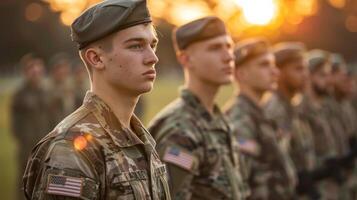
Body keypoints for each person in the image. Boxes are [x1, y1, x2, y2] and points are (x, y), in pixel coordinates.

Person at [22, 0, 171, 199]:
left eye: (153, 45)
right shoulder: (70, 149)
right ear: (96, 58)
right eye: (136, 46)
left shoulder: (141, 137)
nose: (153, 57)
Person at [148, 16, 249, 200]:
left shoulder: (218, 119)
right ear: (186, 59)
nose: (228, 56)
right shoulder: (180, 129)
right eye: (215, 48)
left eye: (229, 46)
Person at [224, 38, 297, 199]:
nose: (275, 72)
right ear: (241, 74)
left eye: (273, 65)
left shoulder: (261, 114)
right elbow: (242, 184)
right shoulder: (240, 118)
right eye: (264, 65)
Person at [263, 42, 319, 198]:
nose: (305, 75)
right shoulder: (274, 110)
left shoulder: (293, 108)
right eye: (298, 69)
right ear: (279, 72)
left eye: (305, 69)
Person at [11, 53, 51, 200]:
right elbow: (15, 124)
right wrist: (24, 139)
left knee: (45, 181)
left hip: (45, 146)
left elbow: (52, 119)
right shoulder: (19, 95)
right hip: (27, 147)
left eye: (38, 67)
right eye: (31, 68)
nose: (35, 71)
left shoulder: (47, 92)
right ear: (26, 72)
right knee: (24, 182)